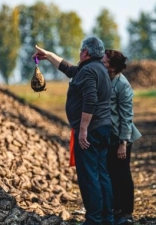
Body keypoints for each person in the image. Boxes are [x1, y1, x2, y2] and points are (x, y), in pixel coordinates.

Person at [33, 37, 114, 225]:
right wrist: (49, 55)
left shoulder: (88, 71)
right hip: (103, 128)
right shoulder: (97, 68)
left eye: (80, 50)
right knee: (102, 174)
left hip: (90, 131)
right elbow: (68, 69)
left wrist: (83, 129)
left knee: (88, 176)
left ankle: (94, 219)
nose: (79, 53)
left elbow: (90, 100)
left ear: (86, 52)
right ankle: (107, 219)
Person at [102, 49, 142, 225]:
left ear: (113, 67)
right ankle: (114, 209)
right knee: (110, 172)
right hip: (109, 135)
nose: (101, 63)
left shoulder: (122, 85)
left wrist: (122, 144)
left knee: (122, 173)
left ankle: (126, 213)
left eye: (104, 62)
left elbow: (126, 117)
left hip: (122, 137)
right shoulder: (105, 78)